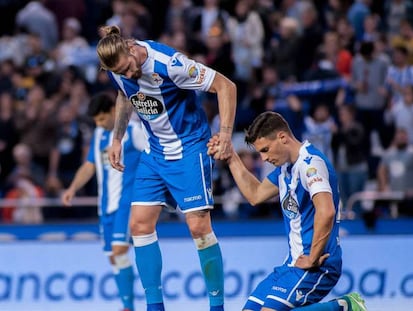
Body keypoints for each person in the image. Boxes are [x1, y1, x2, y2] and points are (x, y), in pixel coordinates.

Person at [96, 25, 237, 311]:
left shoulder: (170, 64)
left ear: (131, 48)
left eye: (128, 68)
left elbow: (226, 86)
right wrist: (117, 138)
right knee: (138, 225)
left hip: (189, 148)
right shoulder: (119, 70)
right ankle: (154, 307)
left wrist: (224, 133)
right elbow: (125, 95)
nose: (128, 75)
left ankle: (217, 306)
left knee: (198, 227)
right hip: (154, 152)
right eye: (120, 73)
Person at [207, 111, 367, 311]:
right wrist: (231, 156)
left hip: (319, 264)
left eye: (265, 149)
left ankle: (344, 307)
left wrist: (313, 257)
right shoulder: (286, 169)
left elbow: (326, 211)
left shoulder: (311, 164)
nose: (264, 158)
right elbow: (255, 194)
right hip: (291, 264)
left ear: (282, 137)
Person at [61, 92, 148, 311]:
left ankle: (129, 307)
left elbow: (154, 153)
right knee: (113, 258)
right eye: (96, 121)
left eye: (102, 118)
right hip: (105, 205)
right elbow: (90, 165)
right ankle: (127, 304)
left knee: (120, 251)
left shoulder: (133, 131)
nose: (99, 124)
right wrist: (73, 188)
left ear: (113, 111)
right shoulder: (99, 135)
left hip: (126, 202)